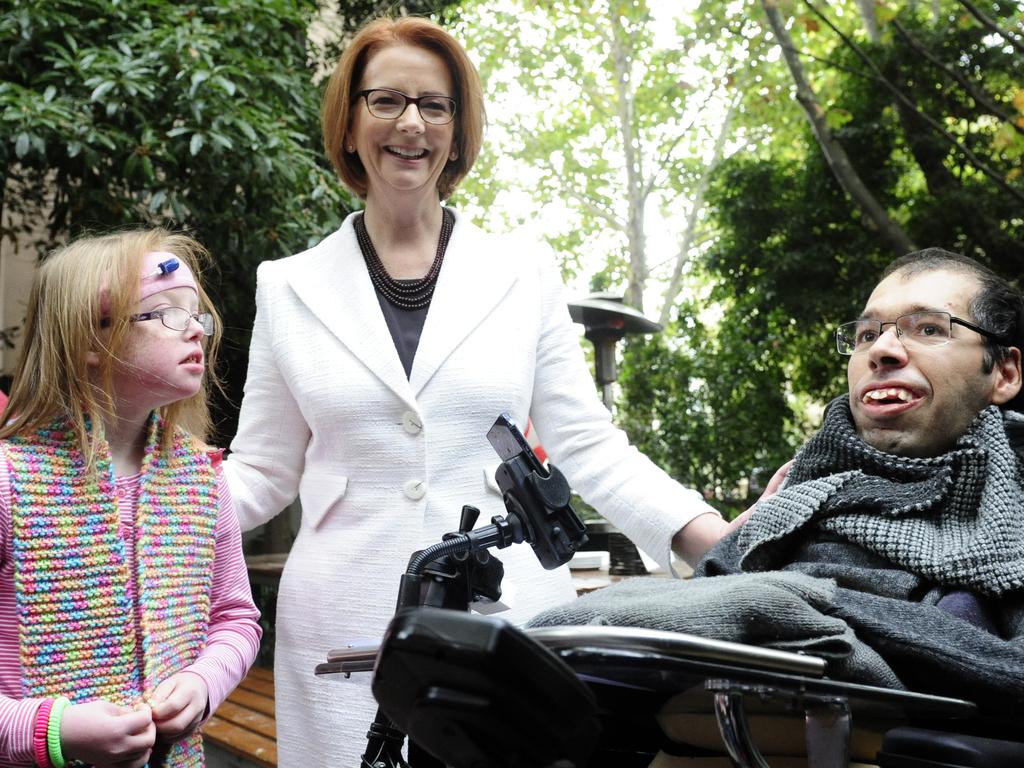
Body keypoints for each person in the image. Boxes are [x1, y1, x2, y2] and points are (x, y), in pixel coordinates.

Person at [223, 14, 755, 766]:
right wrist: (134, 513)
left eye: (434, 105)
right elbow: (264, 469)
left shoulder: (521, 273)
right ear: (348, 124)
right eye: (386, 101)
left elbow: (586, 445)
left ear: (457, 129)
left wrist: (718, 542)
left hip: (506, 613)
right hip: (347, 614)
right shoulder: (288, 287)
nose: (411, 123)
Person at [532, 247, 1024, 716]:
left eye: (928, 328)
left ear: (1004, 372)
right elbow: (709, 596)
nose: (884, 349)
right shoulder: (791, 503)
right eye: (866, 335)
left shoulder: (1010, 516)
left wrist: (801, 603)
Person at [0, 230, 261, 767]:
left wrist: (203, 682)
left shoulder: (202, 481)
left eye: (196, 313)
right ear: (89, 341)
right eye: (164, 312)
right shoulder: (10, 483)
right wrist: (52, 729)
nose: (195, 328)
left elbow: (235, 618)